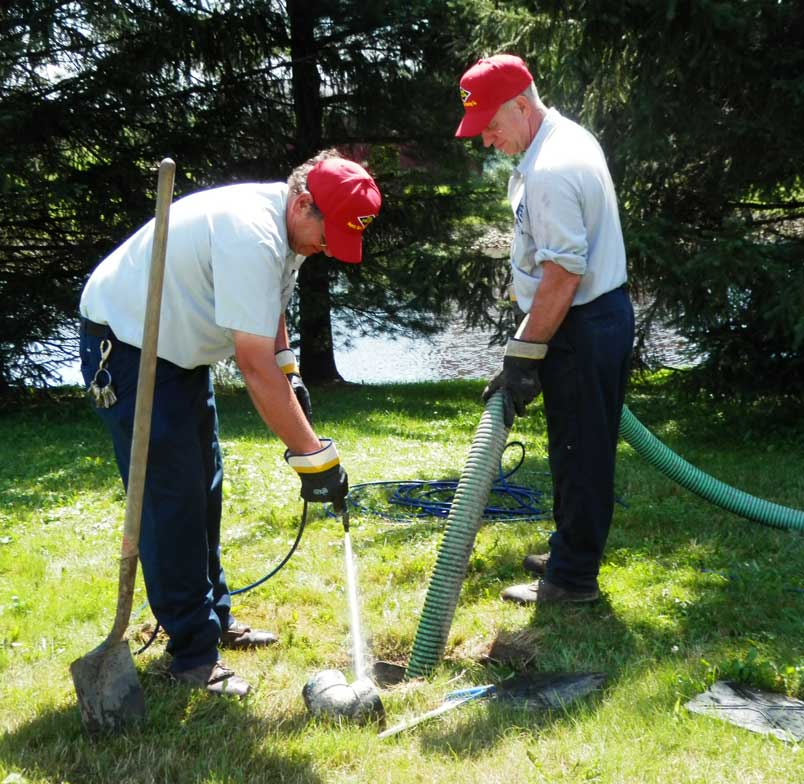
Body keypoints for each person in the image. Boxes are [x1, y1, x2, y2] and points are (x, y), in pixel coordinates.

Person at [79, 149, 381, 694]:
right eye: (327, 234)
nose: (326, 249)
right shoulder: (252, 234)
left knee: (205, 485)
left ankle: (213, 617)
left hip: (180, 350)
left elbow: (272, 309)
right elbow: (251, 364)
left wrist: (292, 373)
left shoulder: (290, 229)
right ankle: (194, 654)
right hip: (130, 345)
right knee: (171, 498)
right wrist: (313, 459)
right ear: (304, 203)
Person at [455, 54, 634, 605]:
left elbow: (563, 273)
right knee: (576, 443)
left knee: (581, 452)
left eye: (491, 125)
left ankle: (572, 580)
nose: (487, 140)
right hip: (587, 319)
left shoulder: (552, 169)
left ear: (520, 103)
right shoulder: (563, 139)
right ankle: (568, 549)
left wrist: (523, 355)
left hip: (580, 324)